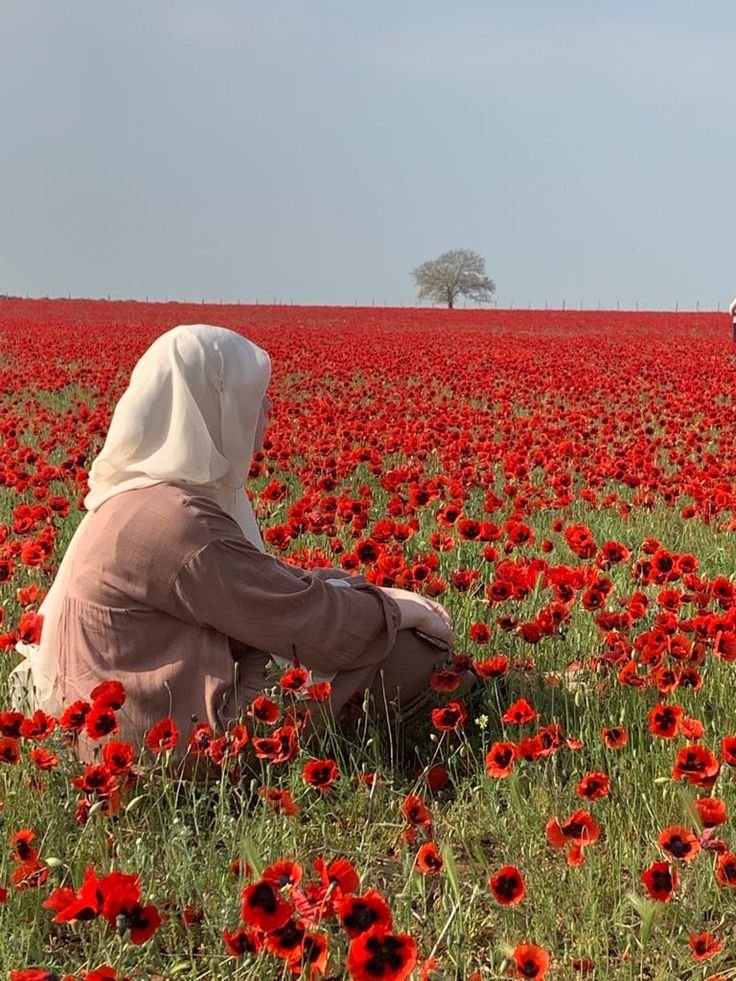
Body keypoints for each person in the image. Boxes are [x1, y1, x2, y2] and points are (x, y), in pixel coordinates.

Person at [10, 324, 454, 761]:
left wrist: (369, 595)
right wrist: (399, 611)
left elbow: (269, 589)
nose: (268, 407)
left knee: (353, 620)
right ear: (213, 407)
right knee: (410, 653)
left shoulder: (134, 498)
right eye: (254, 395)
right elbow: (310, 624)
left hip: (116, 723)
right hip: (169, 743)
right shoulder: (178, 522)